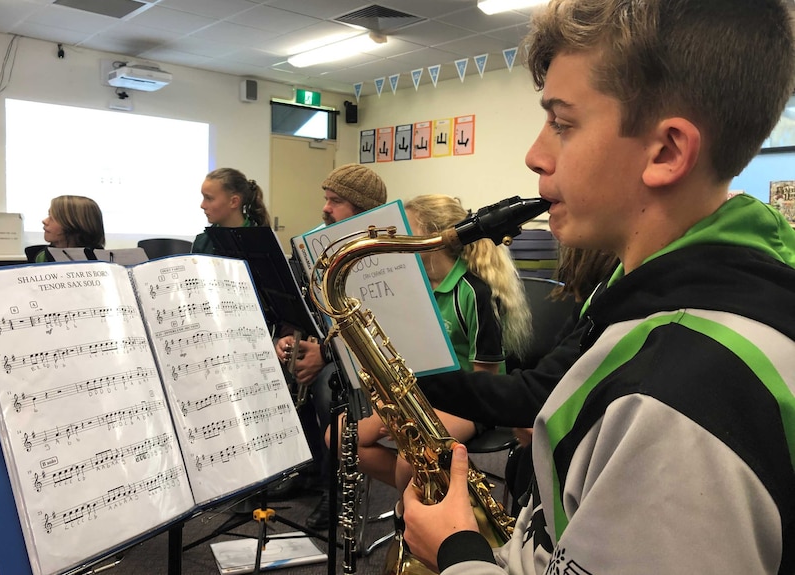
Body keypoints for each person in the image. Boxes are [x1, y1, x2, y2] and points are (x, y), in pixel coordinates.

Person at [401, 0, 795, 573]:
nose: (536, 153)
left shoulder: (678, 403)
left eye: (561, 123)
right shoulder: (649, 286)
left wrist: (456, 550)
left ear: (666, 151)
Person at [348, 193, 533, 490]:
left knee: (414, 454)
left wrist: (419, 415)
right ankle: (439, 492)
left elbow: (487, 379)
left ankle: (411, 513)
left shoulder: (473, 293)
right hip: (417, 398)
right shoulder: (408, 288)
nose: (397, 240)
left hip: (470, 405)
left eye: (404, 231)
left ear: (435, 237)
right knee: (340, 439)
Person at [273, 163, 388, 530]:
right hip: (328, 346)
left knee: (326, 387)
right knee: (288, 368)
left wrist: (322, 355)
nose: (325, 208)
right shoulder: (319, 248)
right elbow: (304, 305)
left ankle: (336, 488)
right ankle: (308, 469)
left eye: (335, 201)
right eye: (326, 199)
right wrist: (289, 338)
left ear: (362, 210)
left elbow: (373, 328)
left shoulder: (379, 257)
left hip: (362, 359)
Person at [191, 167, 270, 255]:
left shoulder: (261, 242)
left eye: (209, 198)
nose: (202, 205)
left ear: (234, 202)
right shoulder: (202, 242)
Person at [35, 195, 105, 262]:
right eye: (49, 215)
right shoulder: (42, 257)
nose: (45, 221)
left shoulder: (103, 259)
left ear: (75, 223)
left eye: (54, 217)